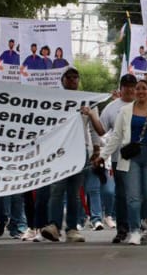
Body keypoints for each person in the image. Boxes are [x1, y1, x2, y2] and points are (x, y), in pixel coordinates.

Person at [97, 79, 147, 245]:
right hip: (131, 157)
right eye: (137, 89)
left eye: (143, 89)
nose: (140, 92)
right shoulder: (125, 111)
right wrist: (103, 155)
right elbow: (116, 135)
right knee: (132, 197)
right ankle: (134, 231)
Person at [39, 67, 105, 243]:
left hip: (79, 149)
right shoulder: (55, 100)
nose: (73, 80)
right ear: (62, 80)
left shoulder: (88, 100)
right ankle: (53, 225)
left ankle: (72, 228)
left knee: (74, 192)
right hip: (59, 150)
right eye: (69, 77)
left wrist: (97, 148)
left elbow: (94, 128)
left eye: (76, 77)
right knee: (56, 189)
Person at [100, 74, 139, 242]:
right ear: (120, 88)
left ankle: (138, 227)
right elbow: (101, 132)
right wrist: (102, 154)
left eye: (133, 86)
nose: (130, 89)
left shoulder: (144, 105)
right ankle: (122, 229)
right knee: (122, 194)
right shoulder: (111, 108)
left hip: (141, 157)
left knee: (138, 194)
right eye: (126, 86)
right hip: (119, 157)